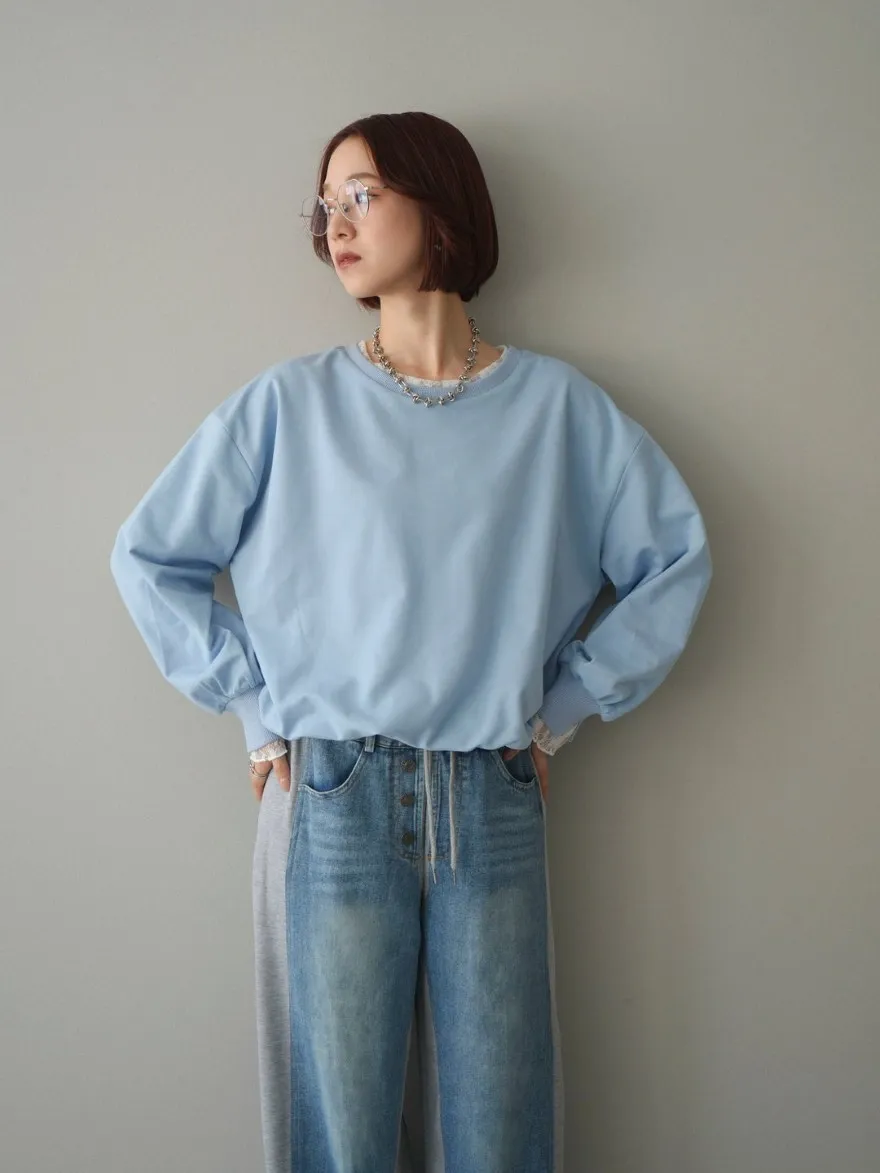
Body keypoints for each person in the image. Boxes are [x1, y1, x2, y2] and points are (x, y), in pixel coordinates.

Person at [110, 110, 712, 1173]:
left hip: (492, 790)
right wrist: (254, 711)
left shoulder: (560, 412)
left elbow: (675, 560)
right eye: (325, 206)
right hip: (331, 791)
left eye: (363, 195)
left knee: (502, 1130)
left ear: (439, 207)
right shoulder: (288, 405)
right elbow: (149, 556)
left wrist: (560, 713)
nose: (336, 225)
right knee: (341, 1135)